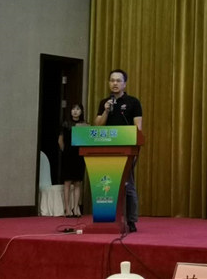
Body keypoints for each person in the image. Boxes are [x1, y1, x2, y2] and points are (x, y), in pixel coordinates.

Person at [95, 69, 143, 232]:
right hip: (106, 150)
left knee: (127, 185)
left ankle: (131, 220)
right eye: (112, 80)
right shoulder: (104, 103)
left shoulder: (133, 102)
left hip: (126, 149)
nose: (115, 83)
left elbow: (138, 128)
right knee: (107, 183)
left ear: (124, 84)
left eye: (118, 80)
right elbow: (98, 126)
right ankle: (106, 217)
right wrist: (106, 110)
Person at [58, 103, 87, 218]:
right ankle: (67, 209)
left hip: (79, 155)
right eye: (73, 109)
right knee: (67, 183)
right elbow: (60, 141)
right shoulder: (65, 124)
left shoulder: (84, 125)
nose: (75, 111)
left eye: (78, 109)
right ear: (70, 111)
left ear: (81, 111)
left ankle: (76, 208)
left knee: (78, 183)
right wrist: (65, 152)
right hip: (68, 155)